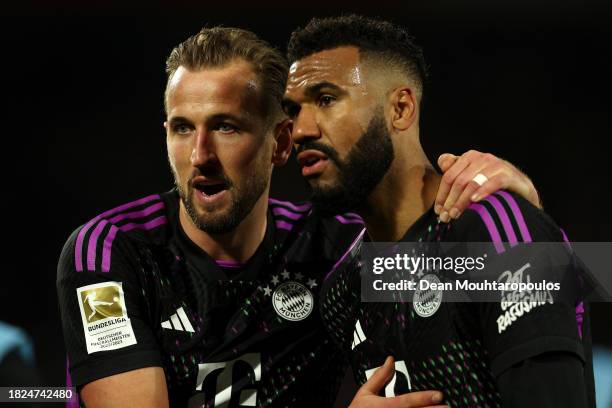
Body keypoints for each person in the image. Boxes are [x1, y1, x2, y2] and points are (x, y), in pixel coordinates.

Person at [57, 25, 540, 408]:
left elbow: (538, 284)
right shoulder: (111, 251)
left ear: (281, 143)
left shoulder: (337, 254)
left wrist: (518, 203)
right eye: (183, 128)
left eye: (226, 127)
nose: (200, 154)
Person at [284, 15, 594, 408]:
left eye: (326, 100)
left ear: (400, 109)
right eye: (293, 110)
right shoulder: (344, 290)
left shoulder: (497, 232)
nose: (300, 130)